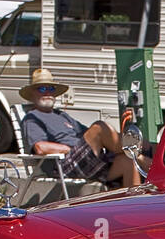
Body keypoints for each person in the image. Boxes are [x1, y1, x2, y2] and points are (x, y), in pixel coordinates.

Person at [18, 68, 149, 187]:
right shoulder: (32, 118)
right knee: (100, 127)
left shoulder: (61, 115)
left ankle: (133, 206)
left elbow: (88, 134)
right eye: (41, 89)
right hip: (64, 164)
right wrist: (69, 149)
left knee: (129, 160)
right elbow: (40, 148)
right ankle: (138, 151)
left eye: (51, 89)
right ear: (32, 94)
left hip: (86, 159)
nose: (47, 92)